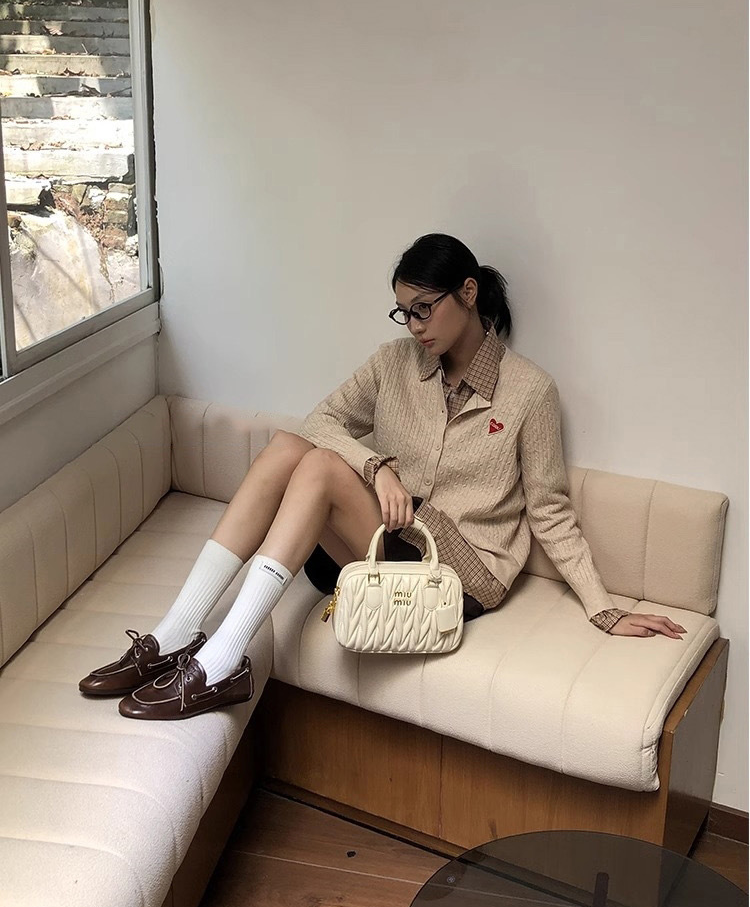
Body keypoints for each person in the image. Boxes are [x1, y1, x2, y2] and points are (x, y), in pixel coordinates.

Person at [79, 232, 686, 719]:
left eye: (425, 309)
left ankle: (220, 663)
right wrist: (378, 466)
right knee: (288, 447)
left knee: (319, 466)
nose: (415, 325)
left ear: (468, 293)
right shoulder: (394, 364)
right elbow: (321, 421)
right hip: (379, 544)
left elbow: (550, 510)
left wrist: (604, 608)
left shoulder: (530, 392)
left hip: (457, 574)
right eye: (405, 312)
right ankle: (177, 633)